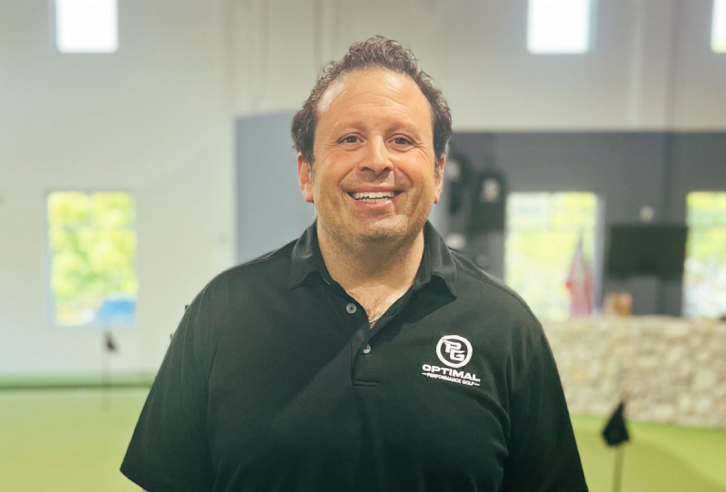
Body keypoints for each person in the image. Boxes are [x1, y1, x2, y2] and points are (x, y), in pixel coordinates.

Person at [121, 36, 588, 492]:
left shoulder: (506, 328)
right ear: (307, 173)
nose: (377, 161)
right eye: (349, 139)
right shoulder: (222, 312)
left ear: (438, 173)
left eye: (401, 140)